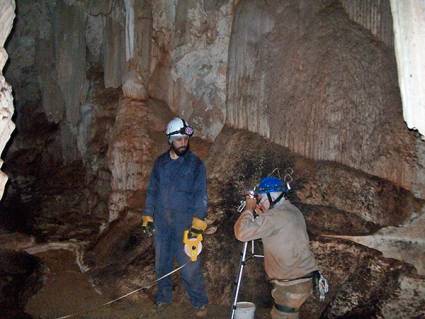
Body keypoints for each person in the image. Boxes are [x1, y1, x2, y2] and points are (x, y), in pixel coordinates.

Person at [141, 117, 209, 317]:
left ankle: (199, 301)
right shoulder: (160, 163)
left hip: (186, 223)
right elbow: (152, 190)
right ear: (170, 139)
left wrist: (199, 220)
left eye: (185, 140)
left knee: (190, 267)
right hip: (162, 223)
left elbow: (201, 194)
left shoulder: (196, 164)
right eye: (179, 140)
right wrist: (147, 215)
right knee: (161, 263)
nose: (183, 144)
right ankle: (164, 297)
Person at [234, 176, 318, 319]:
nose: (260, 202)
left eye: (262, 199)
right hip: (300, 280)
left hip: (291, 285)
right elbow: (275, 226)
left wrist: (249, 207)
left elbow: (241, 233)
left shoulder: (276, 216)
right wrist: (263, 213)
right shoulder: (292, 210)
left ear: (271, 196)